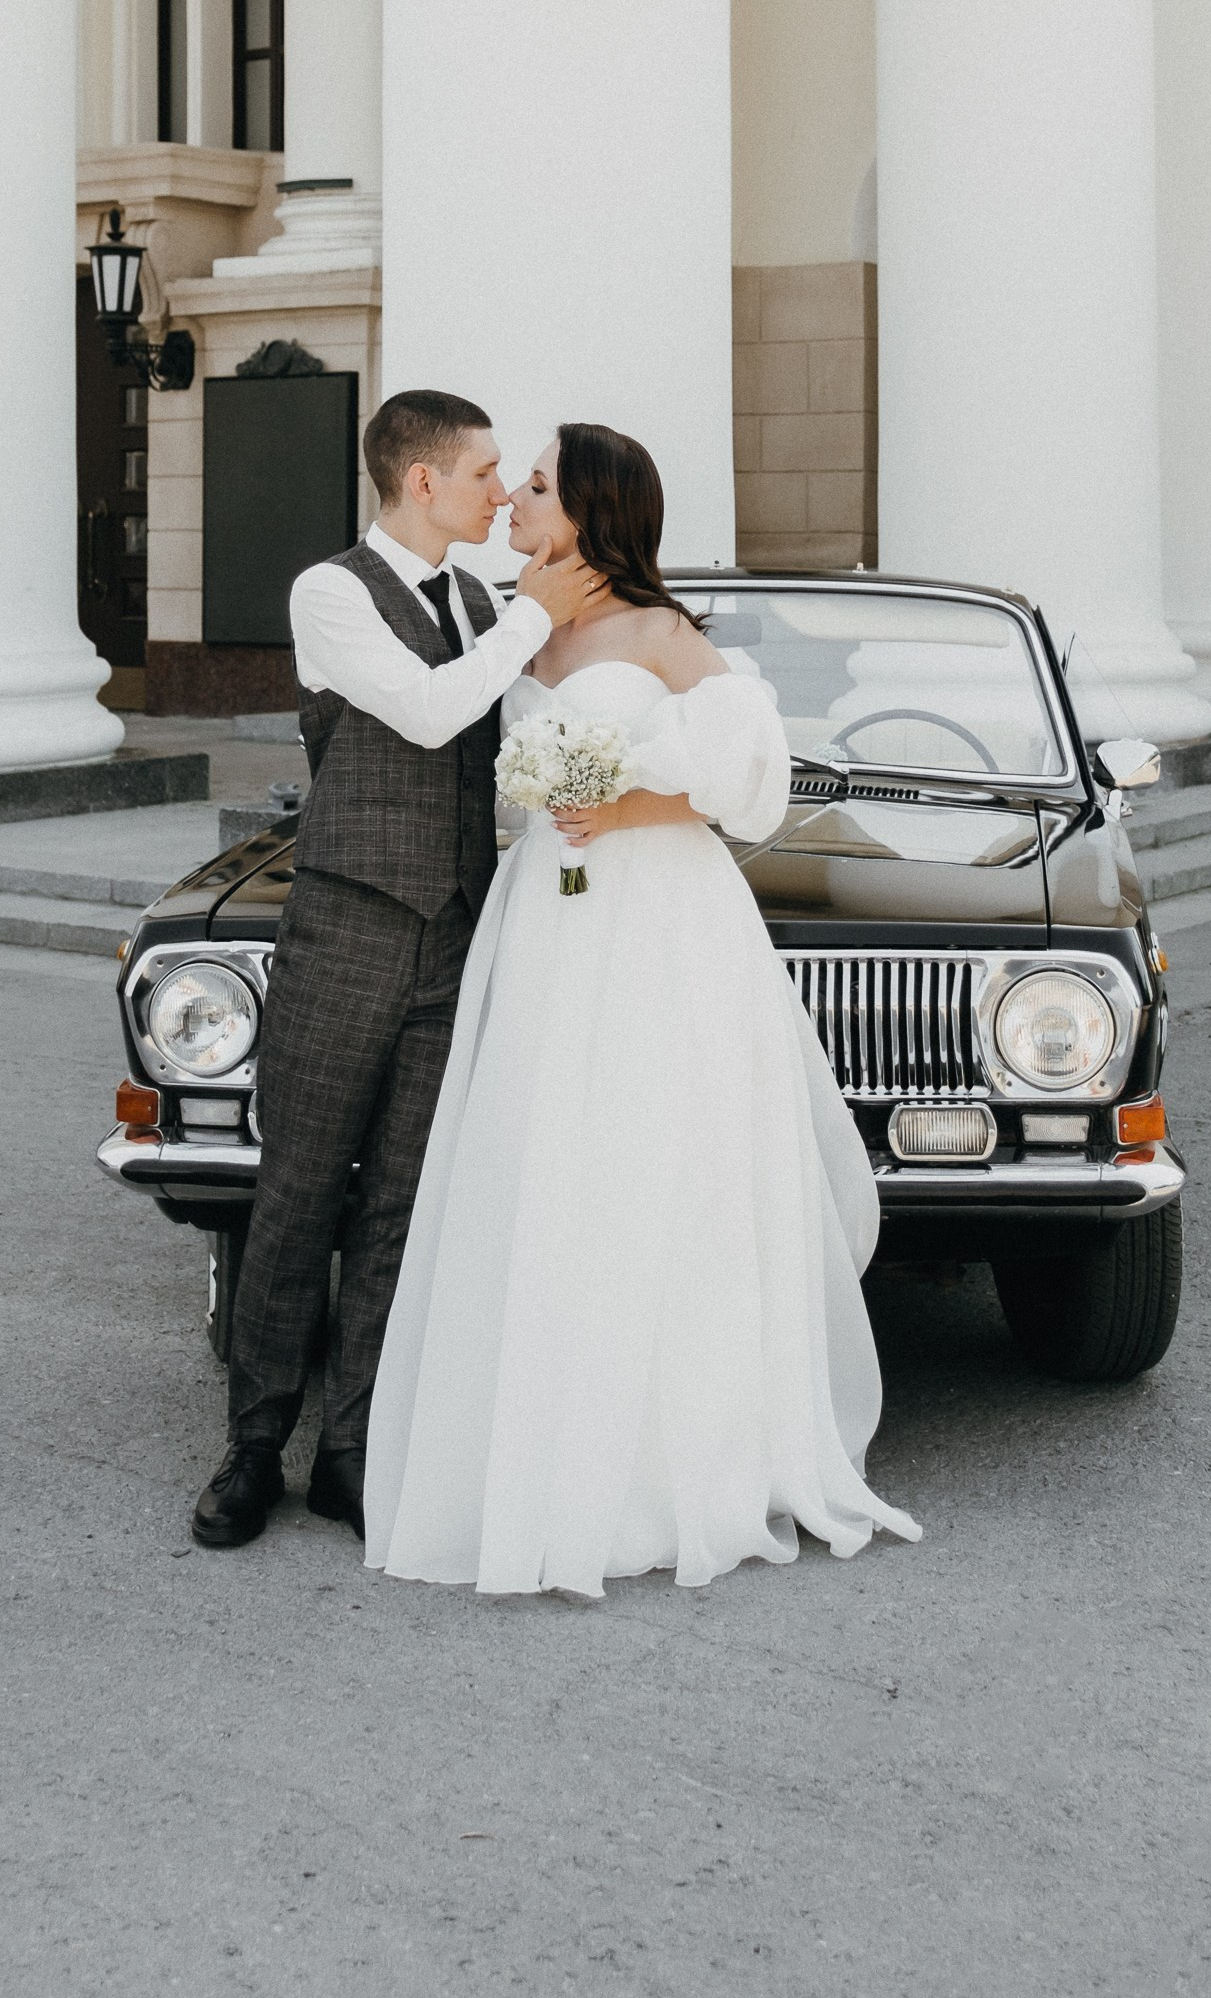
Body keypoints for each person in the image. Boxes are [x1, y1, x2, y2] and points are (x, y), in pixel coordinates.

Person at [364, 422, 921, 1595]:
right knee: (542, 1155)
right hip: (547, 913)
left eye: (536, 484)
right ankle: (535, 1434)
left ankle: (678, 1459)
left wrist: (626, 810)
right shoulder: (520, 623)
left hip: (656, 911)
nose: (514, 497)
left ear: (588, 508)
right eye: (513, 481)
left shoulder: (659, 629)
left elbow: (752, 775)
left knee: (655, 1150)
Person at [191, 388, 594, 1550]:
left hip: (453, 935)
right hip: (348, 930)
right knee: (297, 1194)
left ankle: (350, 1451)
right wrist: (532, 615)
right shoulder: (328, 593)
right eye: (482, 473)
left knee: (400, 1206)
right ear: (422, 481)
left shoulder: (476, 600)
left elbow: (521, 724)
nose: (497, 492)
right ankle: (253, 1444)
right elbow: (424, 711)